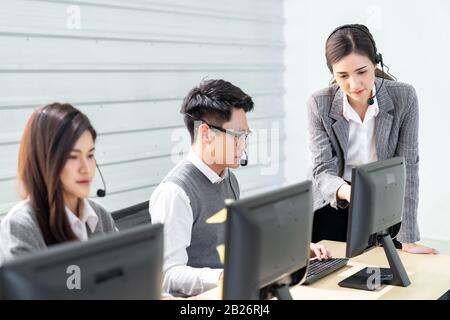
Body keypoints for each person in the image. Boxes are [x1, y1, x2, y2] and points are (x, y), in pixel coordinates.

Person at [150, 79, 330, 297]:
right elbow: (168, 276)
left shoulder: (228, 178)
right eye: (237, 136)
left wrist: (288, 251)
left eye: (245, 136)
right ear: (205, 133)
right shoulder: (175, 193)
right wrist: (221, 278)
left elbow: (234, 248)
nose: (243, 146)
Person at [307, 24, 437, 254]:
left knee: (386, 276)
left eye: (362, 71)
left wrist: (408, 239)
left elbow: (408, 168)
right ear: (332, 73)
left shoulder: (403, 97)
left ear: (375, 63)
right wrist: (349, 192)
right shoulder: (319, 103)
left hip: (383, 201)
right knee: (334, 280)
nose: (354, 84)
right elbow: (322, 170)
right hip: (335, 202)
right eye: (343, 76)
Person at [0, 103, 117, 264]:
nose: (86, 169)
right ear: (45, 161)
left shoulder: (99, 215)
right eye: (72, 157)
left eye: (90, 155)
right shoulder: (21, 226)